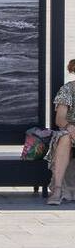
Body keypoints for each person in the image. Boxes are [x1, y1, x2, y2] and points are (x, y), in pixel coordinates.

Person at [45, 59, 75, 205]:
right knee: (64, 138)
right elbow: (60, 119)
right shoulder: (68, 89)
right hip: (71, 130)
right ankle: (57, 189)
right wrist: (70, 127)